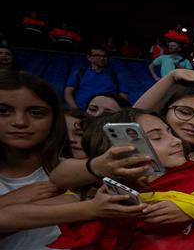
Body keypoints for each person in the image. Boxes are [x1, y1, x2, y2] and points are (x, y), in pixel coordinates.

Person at [0, 71, 143, 234]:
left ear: (55, 118)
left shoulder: (75, 173)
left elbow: (137, 115)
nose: (20, 122)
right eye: (3, 111)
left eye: (36, 113)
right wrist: (9, 200)